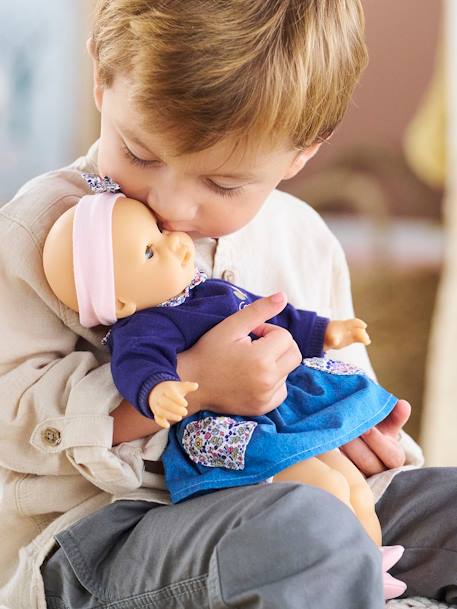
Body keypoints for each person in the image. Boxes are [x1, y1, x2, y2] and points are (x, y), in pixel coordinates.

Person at [0, 1, 455, 608]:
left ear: (301, 154)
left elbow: (333, 394)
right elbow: (11, 415)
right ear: (102, 79)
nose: (174, 207)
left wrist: (360, 438)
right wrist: (193, 384)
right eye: (141, 154)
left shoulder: (303, 241)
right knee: (307, 532)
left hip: (297, 489)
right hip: (112, 534)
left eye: (222, 185)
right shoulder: (39, 232)